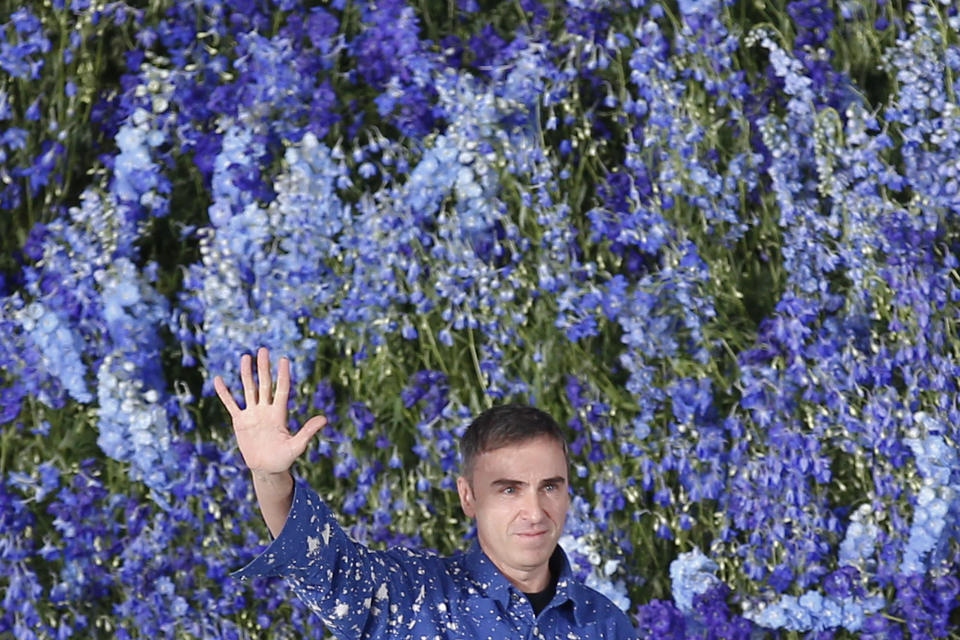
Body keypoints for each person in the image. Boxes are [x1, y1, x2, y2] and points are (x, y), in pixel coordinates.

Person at [215, 347, 638, 639]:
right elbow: (326, 565)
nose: (534, 511)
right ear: (468, 497)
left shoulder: (604, 623)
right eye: (508, 489)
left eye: (549, 486)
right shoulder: (413, 594)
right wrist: (270, 476)